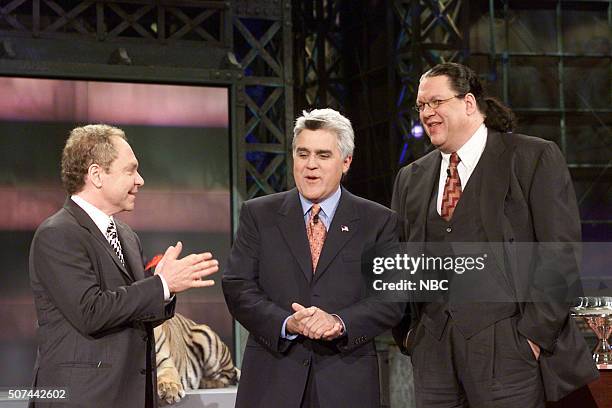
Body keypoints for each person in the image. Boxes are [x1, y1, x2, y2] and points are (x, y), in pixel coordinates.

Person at [391, 62, 598, 407]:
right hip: (433, 356)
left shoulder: (531, 157)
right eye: (422, 105)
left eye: (436, 102)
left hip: (509, 352)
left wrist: (532, 337)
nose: (427, 113)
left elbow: (560, 254)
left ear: (469, 103)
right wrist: (410, 336)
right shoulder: (410, 177)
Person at [222, 109, 404, 408]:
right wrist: (285, 322)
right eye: (302, 153)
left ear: (346, 161)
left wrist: (338, 322)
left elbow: (391, 299)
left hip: (346, 383)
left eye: (323, 155)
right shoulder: (259, 214)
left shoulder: (378, 221)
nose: (310, 165)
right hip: (272, 379)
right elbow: (238, 286)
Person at [29, 124, 219, 408]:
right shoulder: (58, 233)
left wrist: (165, 290)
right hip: (83, 399)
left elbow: (135, 314)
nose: (140, 180)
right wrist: (161, 284)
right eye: (130, 170)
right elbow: (91, 311)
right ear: (96, 175)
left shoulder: (126, 236)